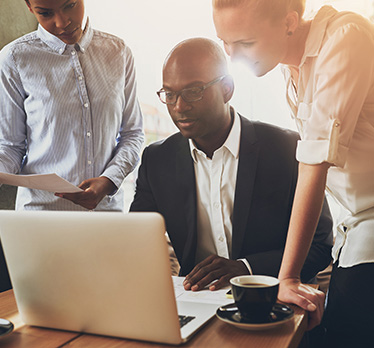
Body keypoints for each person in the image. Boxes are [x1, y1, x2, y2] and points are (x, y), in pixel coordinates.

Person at [212, 0, 374, 346]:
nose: (233, 57)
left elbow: (314, 165)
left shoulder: (346, 38)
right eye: (225, 42)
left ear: (289, 22)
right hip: (355, 232)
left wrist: (287, 277)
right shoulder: (292, 68)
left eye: (245, 43)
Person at [130, 37, 333, 301]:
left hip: (271, 300)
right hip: (196, 301)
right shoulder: (158, 160)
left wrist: (245, 268)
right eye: (169, 95)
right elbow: (133, 242)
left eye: (193, 91)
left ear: (227, 88)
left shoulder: (287, 148)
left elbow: (321, 245)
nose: (179, 106)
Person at [0, 0, 143, 211]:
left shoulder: (119, 52)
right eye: (45, 13)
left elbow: (133, 134)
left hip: (106, 215)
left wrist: (109, 180)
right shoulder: (13, 59)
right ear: (30, 8)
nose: (62, 22)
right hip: (39, 218)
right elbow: (10, 147)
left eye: (69, 5)